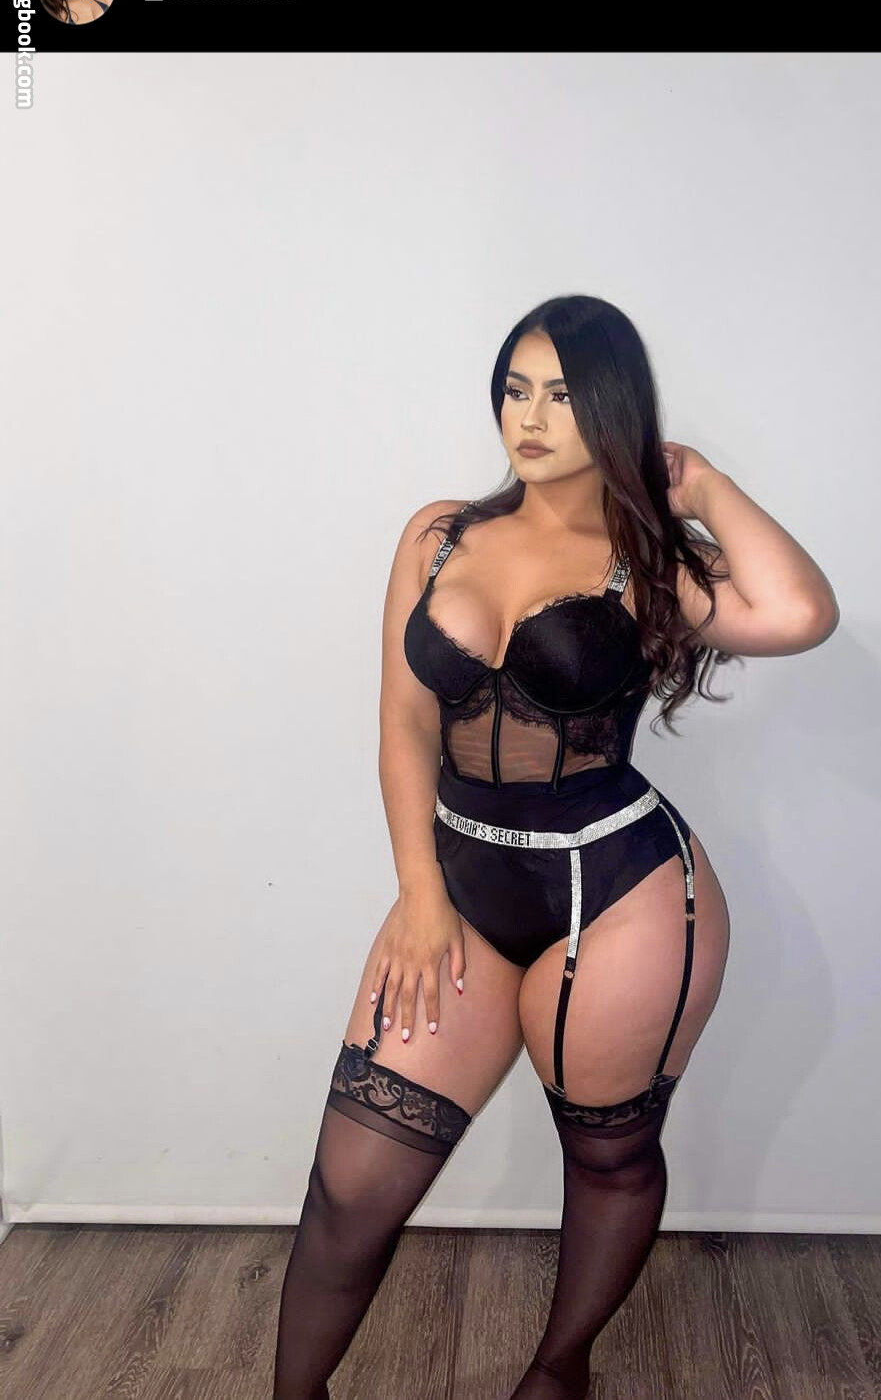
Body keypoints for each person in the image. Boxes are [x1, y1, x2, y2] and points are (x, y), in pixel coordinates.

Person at [272, 294, 840, 1399]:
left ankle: (557, 1369)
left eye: (564, 395)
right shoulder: (439, 535)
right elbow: (403, 723)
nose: (529, 418)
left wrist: (703, 486)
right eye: (515, 389)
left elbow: (799, 611)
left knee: (608, 1156)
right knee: (350, 1186)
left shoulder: (649, 562)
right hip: (461, 889)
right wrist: (418, 892)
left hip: (622, 891)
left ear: (614, 408)